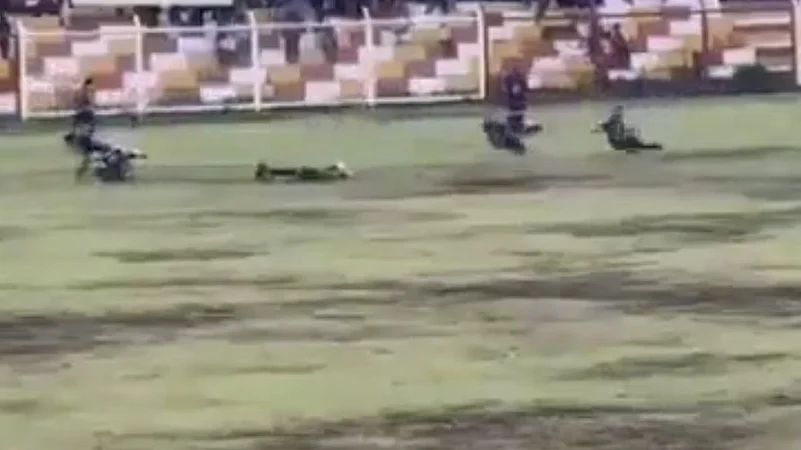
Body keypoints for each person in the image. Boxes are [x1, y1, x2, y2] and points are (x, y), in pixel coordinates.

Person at [593, 105, 662, 153]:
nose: (620, 115)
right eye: (618, 113)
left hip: (619, 143)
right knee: (635, 142)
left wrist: (631, 131)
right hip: (617, 143)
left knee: (634, 141)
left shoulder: (617, 123)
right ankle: (653, 147)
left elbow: (598, 129)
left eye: (620, 113)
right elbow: (599, 128)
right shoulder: (612, 123)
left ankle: (652, 147)